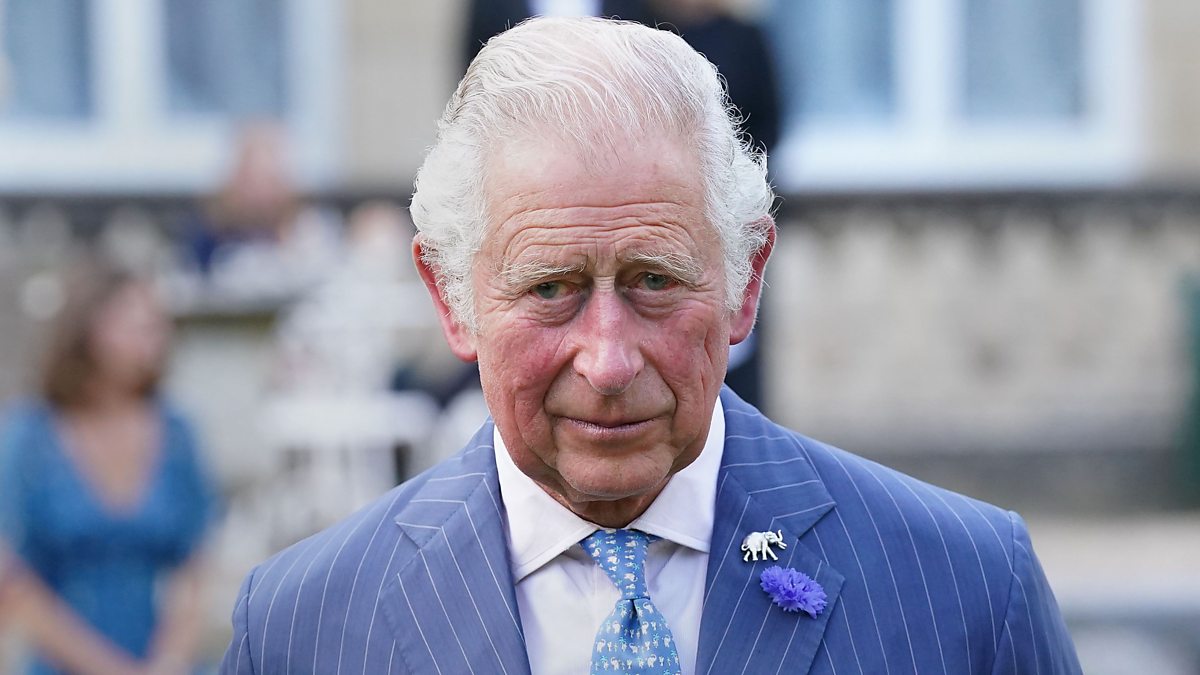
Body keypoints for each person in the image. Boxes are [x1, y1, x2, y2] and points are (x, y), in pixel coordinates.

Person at [221, 17, 1080, 674]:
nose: (609, 361)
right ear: (452, 297)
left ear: (745, 281)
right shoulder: (303, 627)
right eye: (551, 288)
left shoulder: (967, 588)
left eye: (655, 281)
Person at [0, 260, 217, 675]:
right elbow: (15, 581)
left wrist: (170, 661)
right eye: (133, 323)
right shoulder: (28, 436)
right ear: (85, 330)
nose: (151, 336)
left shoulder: (177, 431)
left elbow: (195, 564)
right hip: (62, 661)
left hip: (163, 661)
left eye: (155, 324)